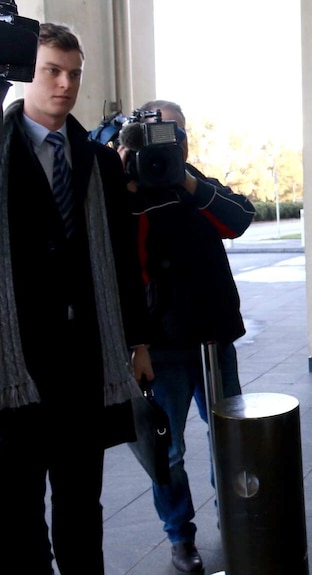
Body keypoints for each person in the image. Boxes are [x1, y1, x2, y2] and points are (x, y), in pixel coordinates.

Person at [0, 23, 152, 574]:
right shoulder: (3, 154)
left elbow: (121, 261)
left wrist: (137, 341)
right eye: (52, 71)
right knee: (18, 510)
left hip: (85, 358)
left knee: (81, 503)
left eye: (74, 73)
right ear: (26, 75)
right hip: (16, 364)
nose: (65, 84)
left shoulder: (99, 162)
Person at [120, 99, 255, 573]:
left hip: (214, 339)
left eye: (177, 134)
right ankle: (181, 538)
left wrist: (187, 181)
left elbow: (239, 219)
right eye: (157, 135)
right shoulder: (127, 191)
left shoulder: (193, 183)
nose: (169, 144)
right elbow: (119, 267)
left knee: (229, 440)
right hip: (161, 345)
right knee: (168, 450)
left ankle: (237, 523)